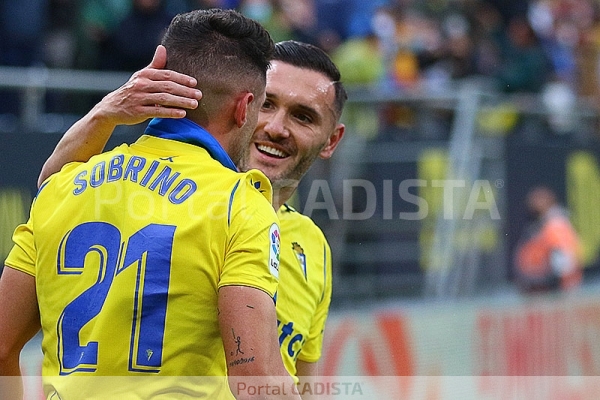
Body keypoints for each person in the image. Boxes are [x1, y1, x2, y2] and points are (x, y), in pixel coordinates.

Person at [0, 9, 300, 399]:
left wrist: (103, 114)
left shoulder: (63, 186)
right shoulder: (239, 203)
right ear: (244, 108)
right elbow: (258, 382)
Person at [36, 39, 347, 392]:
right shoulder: (154, 207)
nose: (277, 127)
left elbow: (302, 385)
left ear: (331, 141)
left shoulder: (314, 247)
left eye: (303, 116)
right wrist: (102, 115)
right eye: (267, 104)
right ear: (244, 105)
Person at [514, 186, 583, 294]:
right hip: (539, 288)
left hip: (555, 291)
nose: (532, 204)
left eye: (538, 200)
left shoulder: (555, 225)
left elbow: (564, 262)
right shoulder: (540, 224)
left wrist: (549, 281)